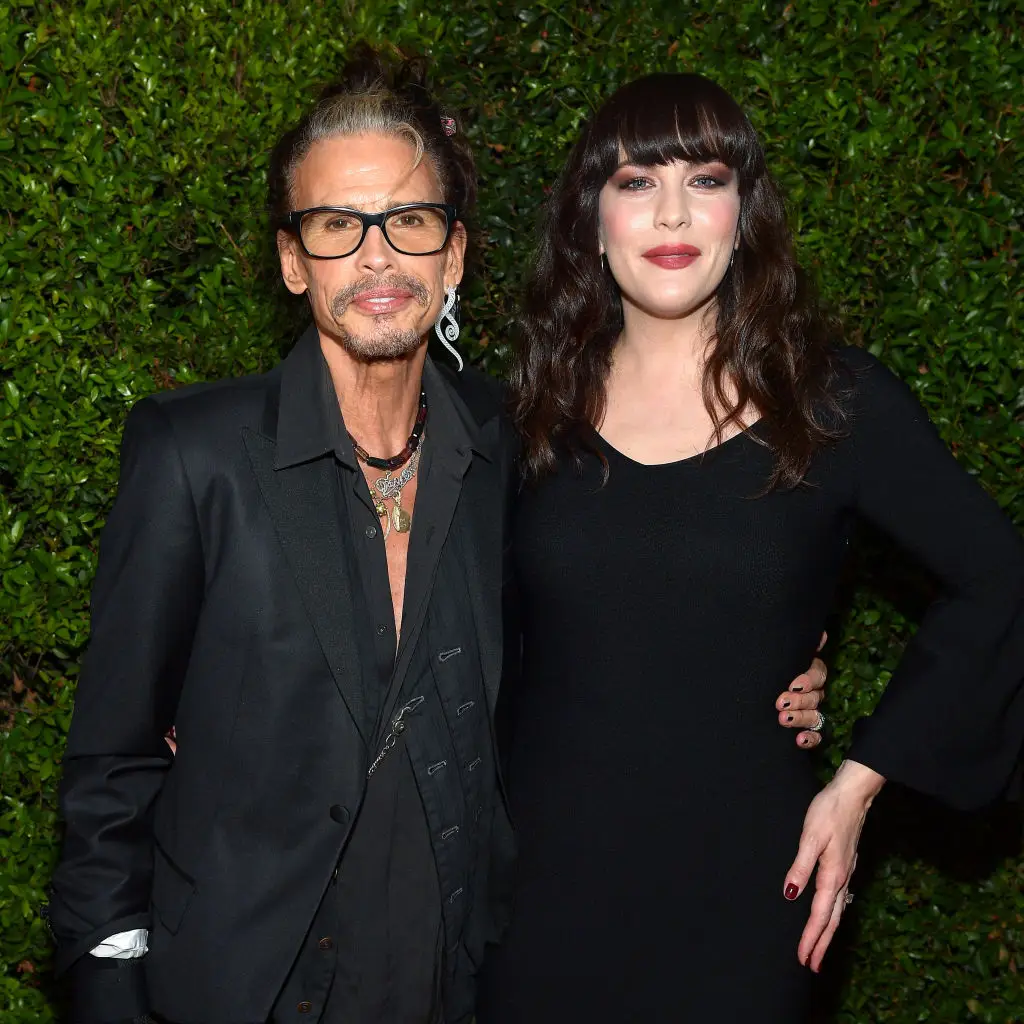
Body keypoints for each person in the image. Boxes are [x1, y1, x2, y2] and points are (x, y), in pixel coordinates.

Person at [46, 50, 828, 1024]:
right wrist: (110, 984)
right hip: (240, 984)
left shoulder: (516, 445)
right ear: (292, 259)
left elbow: (615, 600)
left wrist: (781, 661)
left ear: (452, 254)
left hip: (456, 978)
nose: (377, 259)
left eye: (408, 222)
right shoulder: (193, 454)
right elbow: (111, 761)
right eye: (337, 226)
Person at [476, 72, 1024, 1024]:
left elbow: (998, 578)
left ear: (745, 211)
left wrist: (858, 783)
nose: (675, 211)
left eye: (708, 177)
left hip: (751, 893)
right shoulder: (525, 415)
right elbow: (448, 622)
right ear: (590, 221)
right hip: (540, 895)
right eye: (637, 182)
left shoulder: (835, 404)